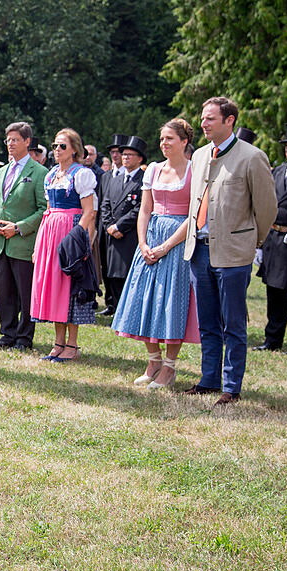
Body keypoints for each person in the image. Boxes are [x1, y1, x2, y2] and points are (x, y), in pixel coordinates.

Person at [182, 97, 277, 404]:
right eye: (202, 118)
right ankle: (209, 378)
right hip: (200, 251)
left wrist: (253, 241)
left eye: (210, 119)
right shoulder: (197, 156)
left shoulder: (252, 157)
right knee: (207, 321)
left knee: (233, 322)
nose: (203, 124)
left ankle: (231, 386)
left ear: (230, 120)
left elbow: (266, 208)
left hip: (233, 254)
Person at [111, 119, 200, 388]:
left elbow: (194, 215)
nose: (164, 143)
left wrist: (166, 246)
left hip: (178, 240)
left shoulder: (195, 171)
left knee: (171, 302)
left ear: (184, 141)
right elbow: (145, 210)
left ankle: (170, 367)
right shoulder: (153, 170)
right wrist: (143, 242)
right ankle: (153, 360)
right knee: (145, 299)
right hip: (150, 238)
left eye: (170, 139)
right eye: (162, 139)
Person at [30, 128, 98, 362]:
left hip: (71, 231)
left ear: (75, 150)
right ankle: (58, 342)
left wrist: (78, 238)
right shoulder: (51, 176)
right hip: (50, 231)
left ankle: (72, 345)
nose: (57, 150)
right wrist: (39, 244)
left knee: (70, 286)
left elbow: (89, 211)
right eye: (55, 146)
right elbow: (48, 210)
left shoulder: (81, 174)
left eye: (63, 146)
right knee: (54, 286)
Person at [0, 122, 48, 351]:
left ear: (27, 142)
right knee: (4, 292)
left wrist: (20, 227)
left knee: (24, 293)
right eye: (8, 140)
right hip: (0, 242)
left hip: (22, 242)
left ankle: (24, 337)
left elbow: (43, 209)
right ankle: (7, 334)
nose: (10, 144)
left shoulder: (40, 172)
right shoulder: (1, 172)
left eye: (15, 140)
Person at [255, 122, 287, 354]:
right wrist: (261, 243)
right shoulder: (278, 172)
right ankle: (273, 339)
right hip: (275, 239)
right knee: (275, 292)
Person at [99, 135, 146, 314]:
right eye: (123, 154)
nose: (125, 157)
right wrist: (109, 225)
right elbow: (105, 204)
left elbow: (141, 207)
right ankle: (118, 310)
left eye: (130, 155)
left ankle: (131, 313)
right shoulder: (115, 179)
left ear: (140, 158)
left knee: (129, 275)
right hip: (112, 235)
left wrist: (120, 226)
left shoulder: (143, 179)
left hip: (130, 235)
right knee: (113, 275)